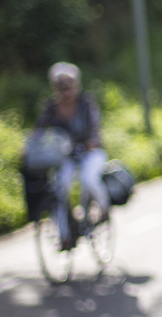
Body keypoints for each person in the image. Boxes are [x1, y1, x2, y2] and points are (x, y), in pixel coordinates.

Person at [36, 62, 109, 249]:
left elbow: (95, 125)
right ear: (56, 89)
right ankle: (65, 235)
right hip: (65, 157)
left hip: (89, 152)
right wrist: (31, 145)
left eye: (69, 86)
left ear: (76, 85)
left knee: (88, 180)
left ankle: (103, 209)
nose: (66, 91)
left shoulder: (86, 102)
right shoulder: (51, 108)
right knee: (59, 188)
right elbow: (39, 131)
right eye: (62, 88)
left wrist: (92, 140)